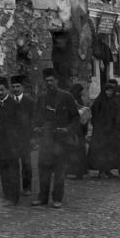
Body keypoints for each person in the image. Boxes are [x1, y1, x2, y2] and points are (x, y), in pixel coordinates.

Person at [31, 69, 80, 208]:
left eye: (51, 80)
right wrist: (36, 127)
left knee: (59, 172)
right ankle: (42, 198)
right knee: (43, 169)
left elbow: (76, 117)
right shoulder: (42, 98)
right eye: (47, 81)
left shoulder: (67, 97)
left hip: (61, 140)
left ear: (57, 81)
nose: (49, 83)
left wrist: (67, 129)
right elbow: (36, 117)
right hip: (46, 140)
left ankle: (57, 198)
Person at [0, 78, 22, 206]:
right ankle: (6, 195)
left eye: (2, 90)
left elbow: (20, 126)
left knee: (13, 173)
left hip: (11, 146)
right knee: (3, 172)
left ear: (7, 90)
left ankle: (13, 198)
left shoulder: (14, 105)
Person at [87, 79, 120, 179]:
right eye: (107, 90)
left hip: (111, 130)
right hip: (101, 131)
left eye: (111, 91)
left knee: (109, 151)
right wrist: (99, 125)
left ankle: (107, 170)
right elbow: (94, 114)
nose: (109, 93)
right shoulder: (99, 101)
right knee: (101, 151)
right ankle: (101, 171)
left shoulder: (113, 101)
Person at [9, 75, 34, 195]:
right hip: (11, 139)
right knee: (13, 164)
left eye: (18, 86)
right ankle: (14, 187)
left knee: (26, 164)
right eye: (13, 87)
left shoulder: (29, 102)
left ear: (23, 87)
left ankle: (27, 187)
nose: (15, 89)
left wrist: (32, 137)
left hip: (25, 138)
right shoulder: (8, 101)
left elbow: (33, 120)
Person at [66, 83, 90, 179]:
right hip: (73, 128)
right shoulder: (71, 100)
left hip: (78, 129)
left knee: (77, 151)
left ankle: (78, 172)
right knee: (72, 150)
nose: (80, 93)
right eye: (79, 91)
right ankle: (72, 171)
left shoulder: (78, 100)